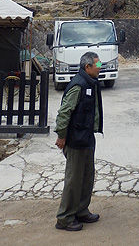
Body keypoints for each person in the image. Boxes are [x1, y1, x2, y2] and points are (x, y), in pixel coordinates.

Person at [54, 52, 104, 231]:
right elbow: (64, 112)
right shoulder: (78, 85)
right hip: (76, 139)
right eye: (97, 65)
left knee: (87, 176)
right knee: (74, 180)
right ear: (87, 67)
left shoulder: (91, 82)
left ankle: (81, 210)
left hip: (87, 137)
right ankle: (65, 218)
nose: (100, 68)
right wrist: (61, 136)